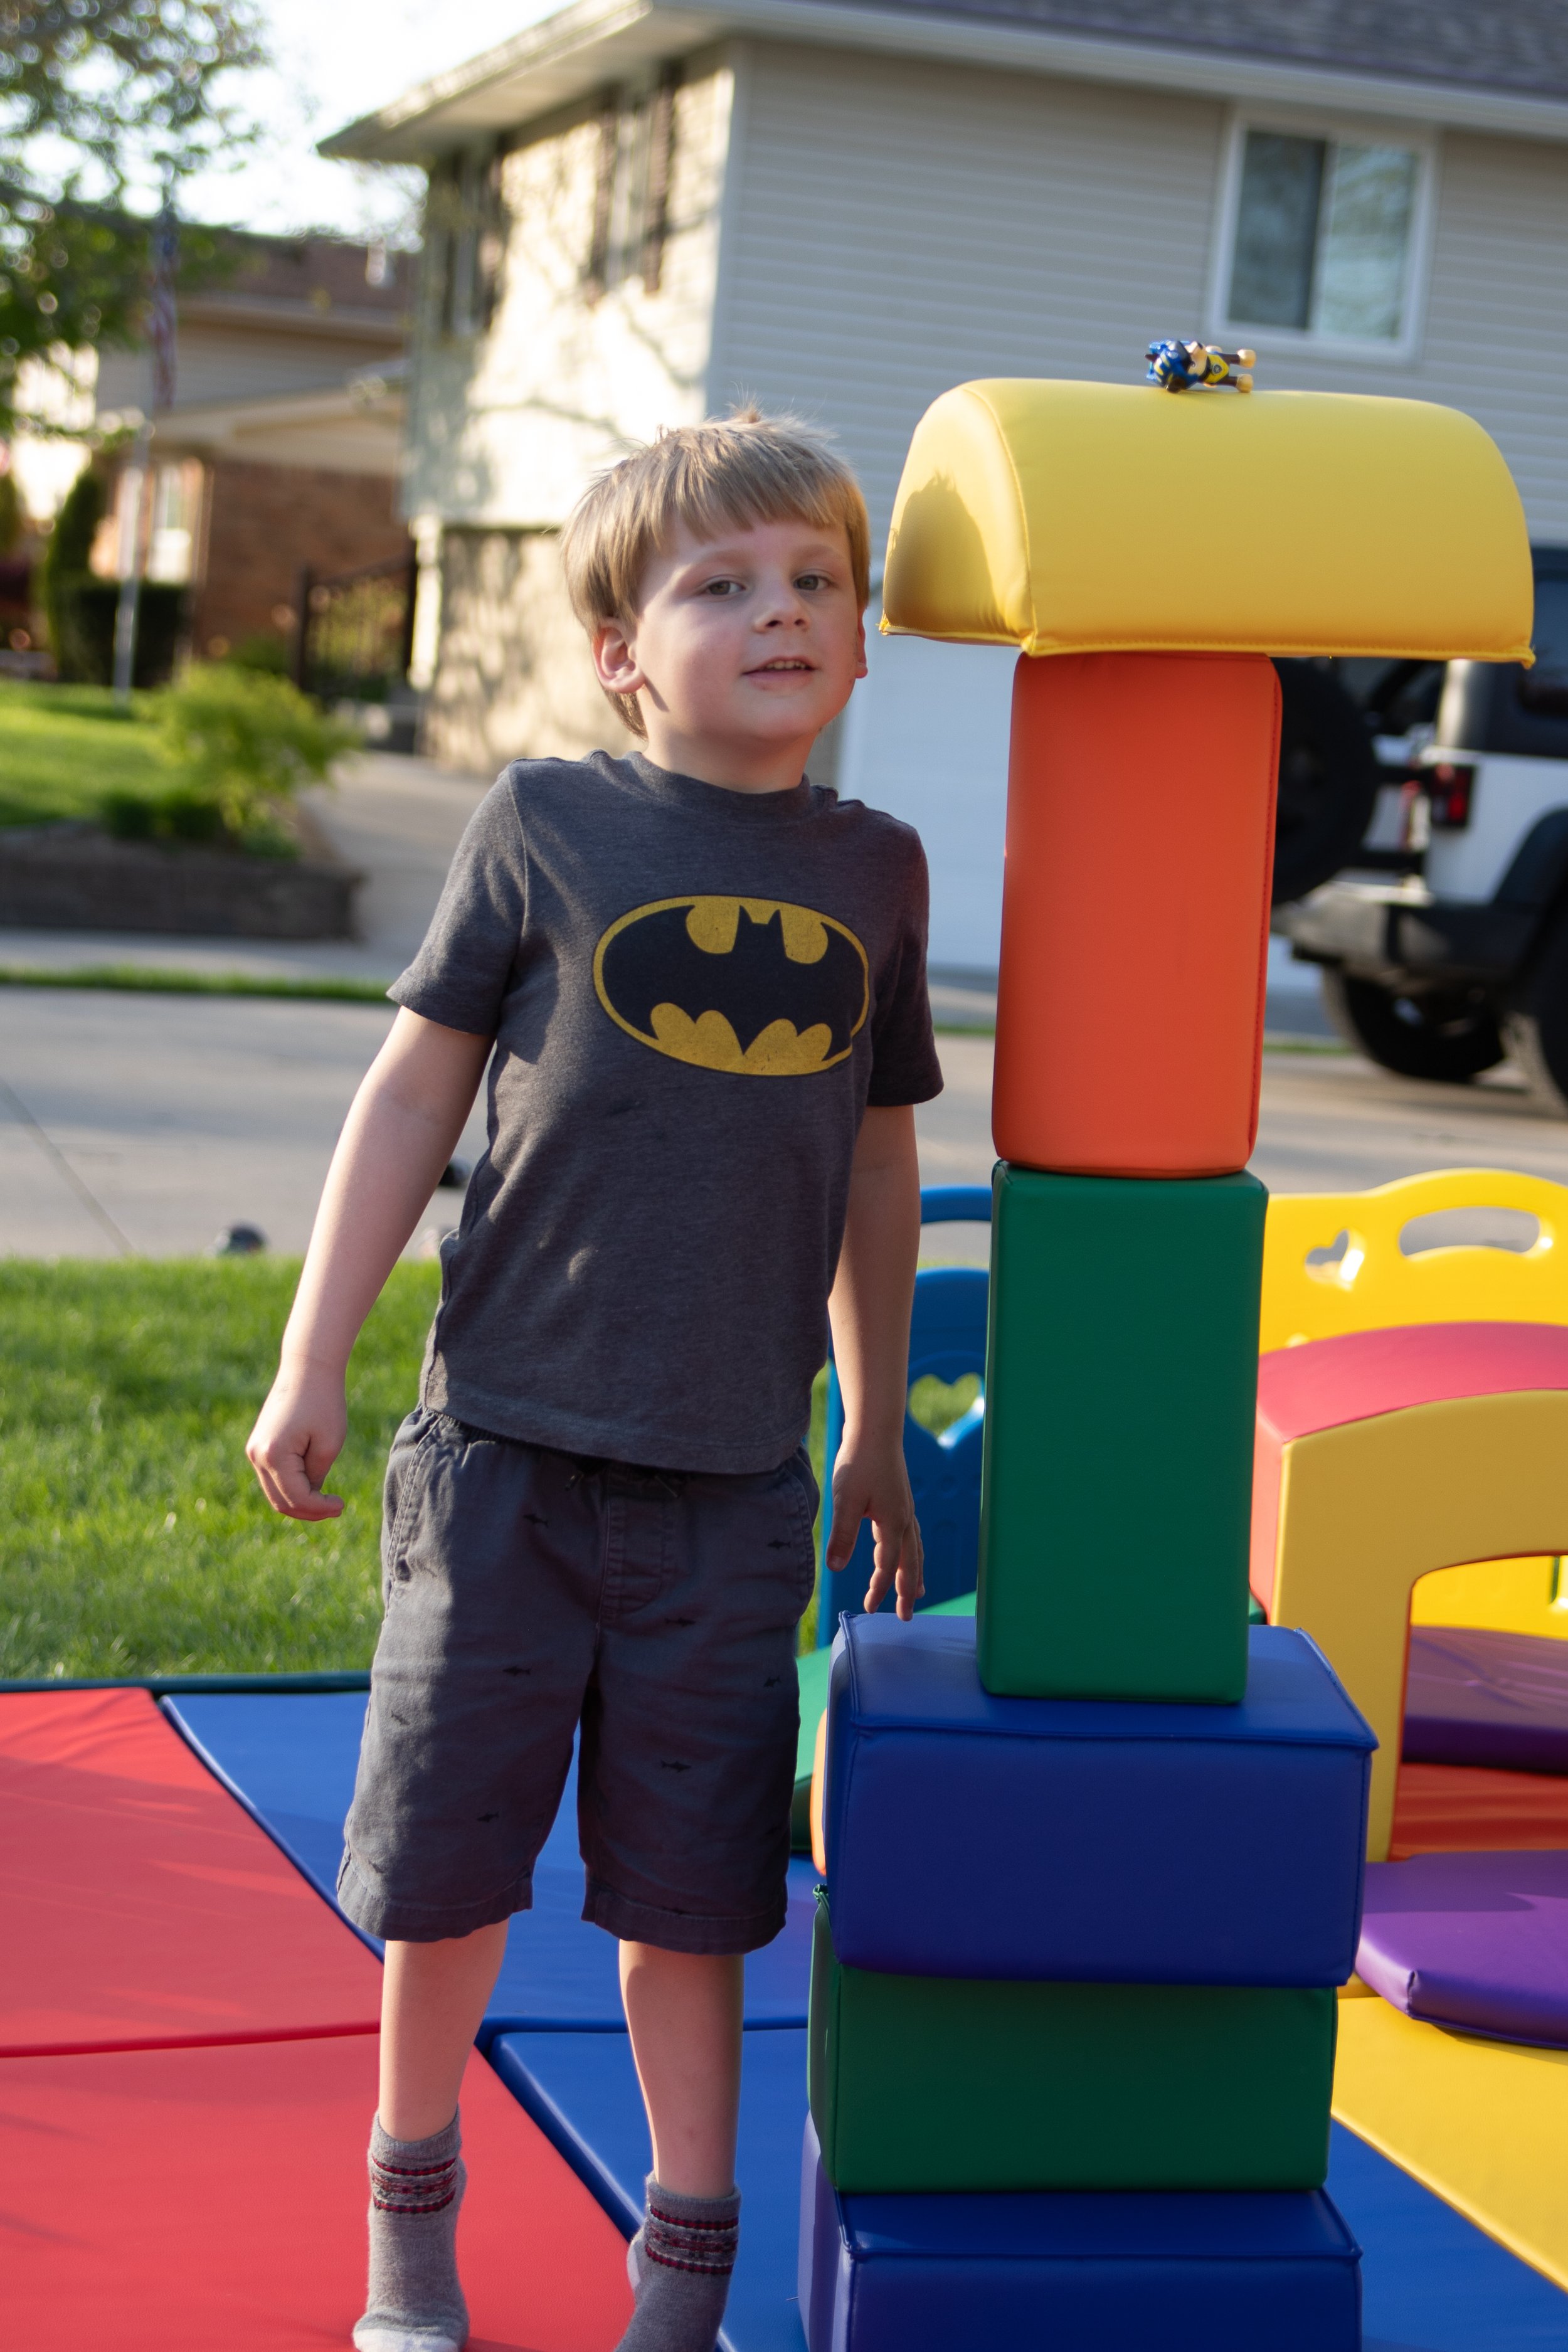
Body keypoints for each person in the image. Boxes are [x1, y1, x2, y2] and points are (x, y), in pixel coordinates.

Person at [246, 408, 940, 2352]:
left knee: (696, 1902)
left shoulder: (876, 874)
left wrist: (870, 1421)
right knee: (448, 1874)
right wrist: (315, 1356)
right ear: (625, 651)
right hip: (504, 1464)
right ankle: (410, 2218)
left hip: (728, 1490)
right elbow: (406, 1099)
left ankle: (682, 2278)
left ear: (864, 639)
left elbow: (876, 1164)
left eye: (814, 581)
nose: (778, 611)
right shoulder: (547, 826)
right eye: (717, 585)